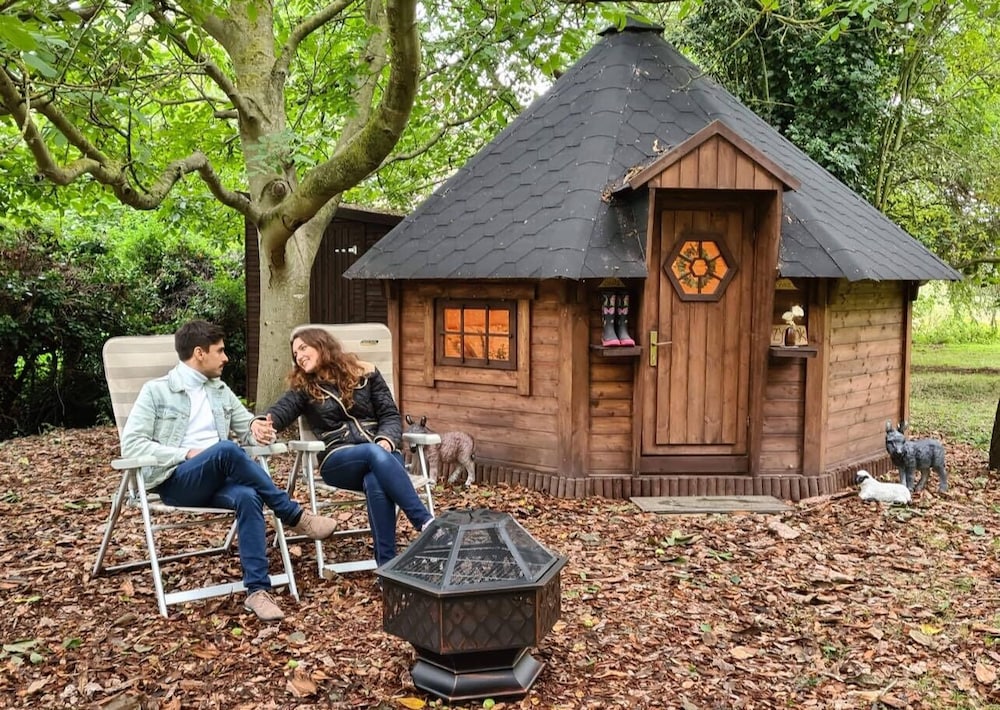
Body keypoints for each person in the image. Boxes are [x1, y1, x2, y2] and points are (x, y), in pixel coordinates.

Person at [120, 320, 339, 622]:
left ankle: (257, 591)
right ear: (199, 353)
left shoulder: (220, 390)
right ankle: (293, 515)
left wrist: (258, 429)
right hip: (175, 479)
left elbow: (247, 426)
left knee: (248, 496)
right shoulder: (157, 391)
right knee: (225, 449)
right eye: (220, 351)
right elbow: (132, 445)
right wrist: (187, 453)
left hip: (218, 478)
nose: (226, 358)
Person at [257, 327, 433, 568]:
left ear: (321, 345)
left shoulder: (366, 373)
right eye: (295, 353)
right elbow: (280, 411)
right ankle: (424, 521)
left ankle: (386, 569)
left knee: (375, 480)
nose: (299, 356)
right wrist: (261, 423)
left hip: (382, 455)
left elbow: (390, 415)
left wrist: (386, 439)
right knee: (374, 453)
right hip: (338, 459)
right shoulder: (304, 388)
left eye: (303, 348)